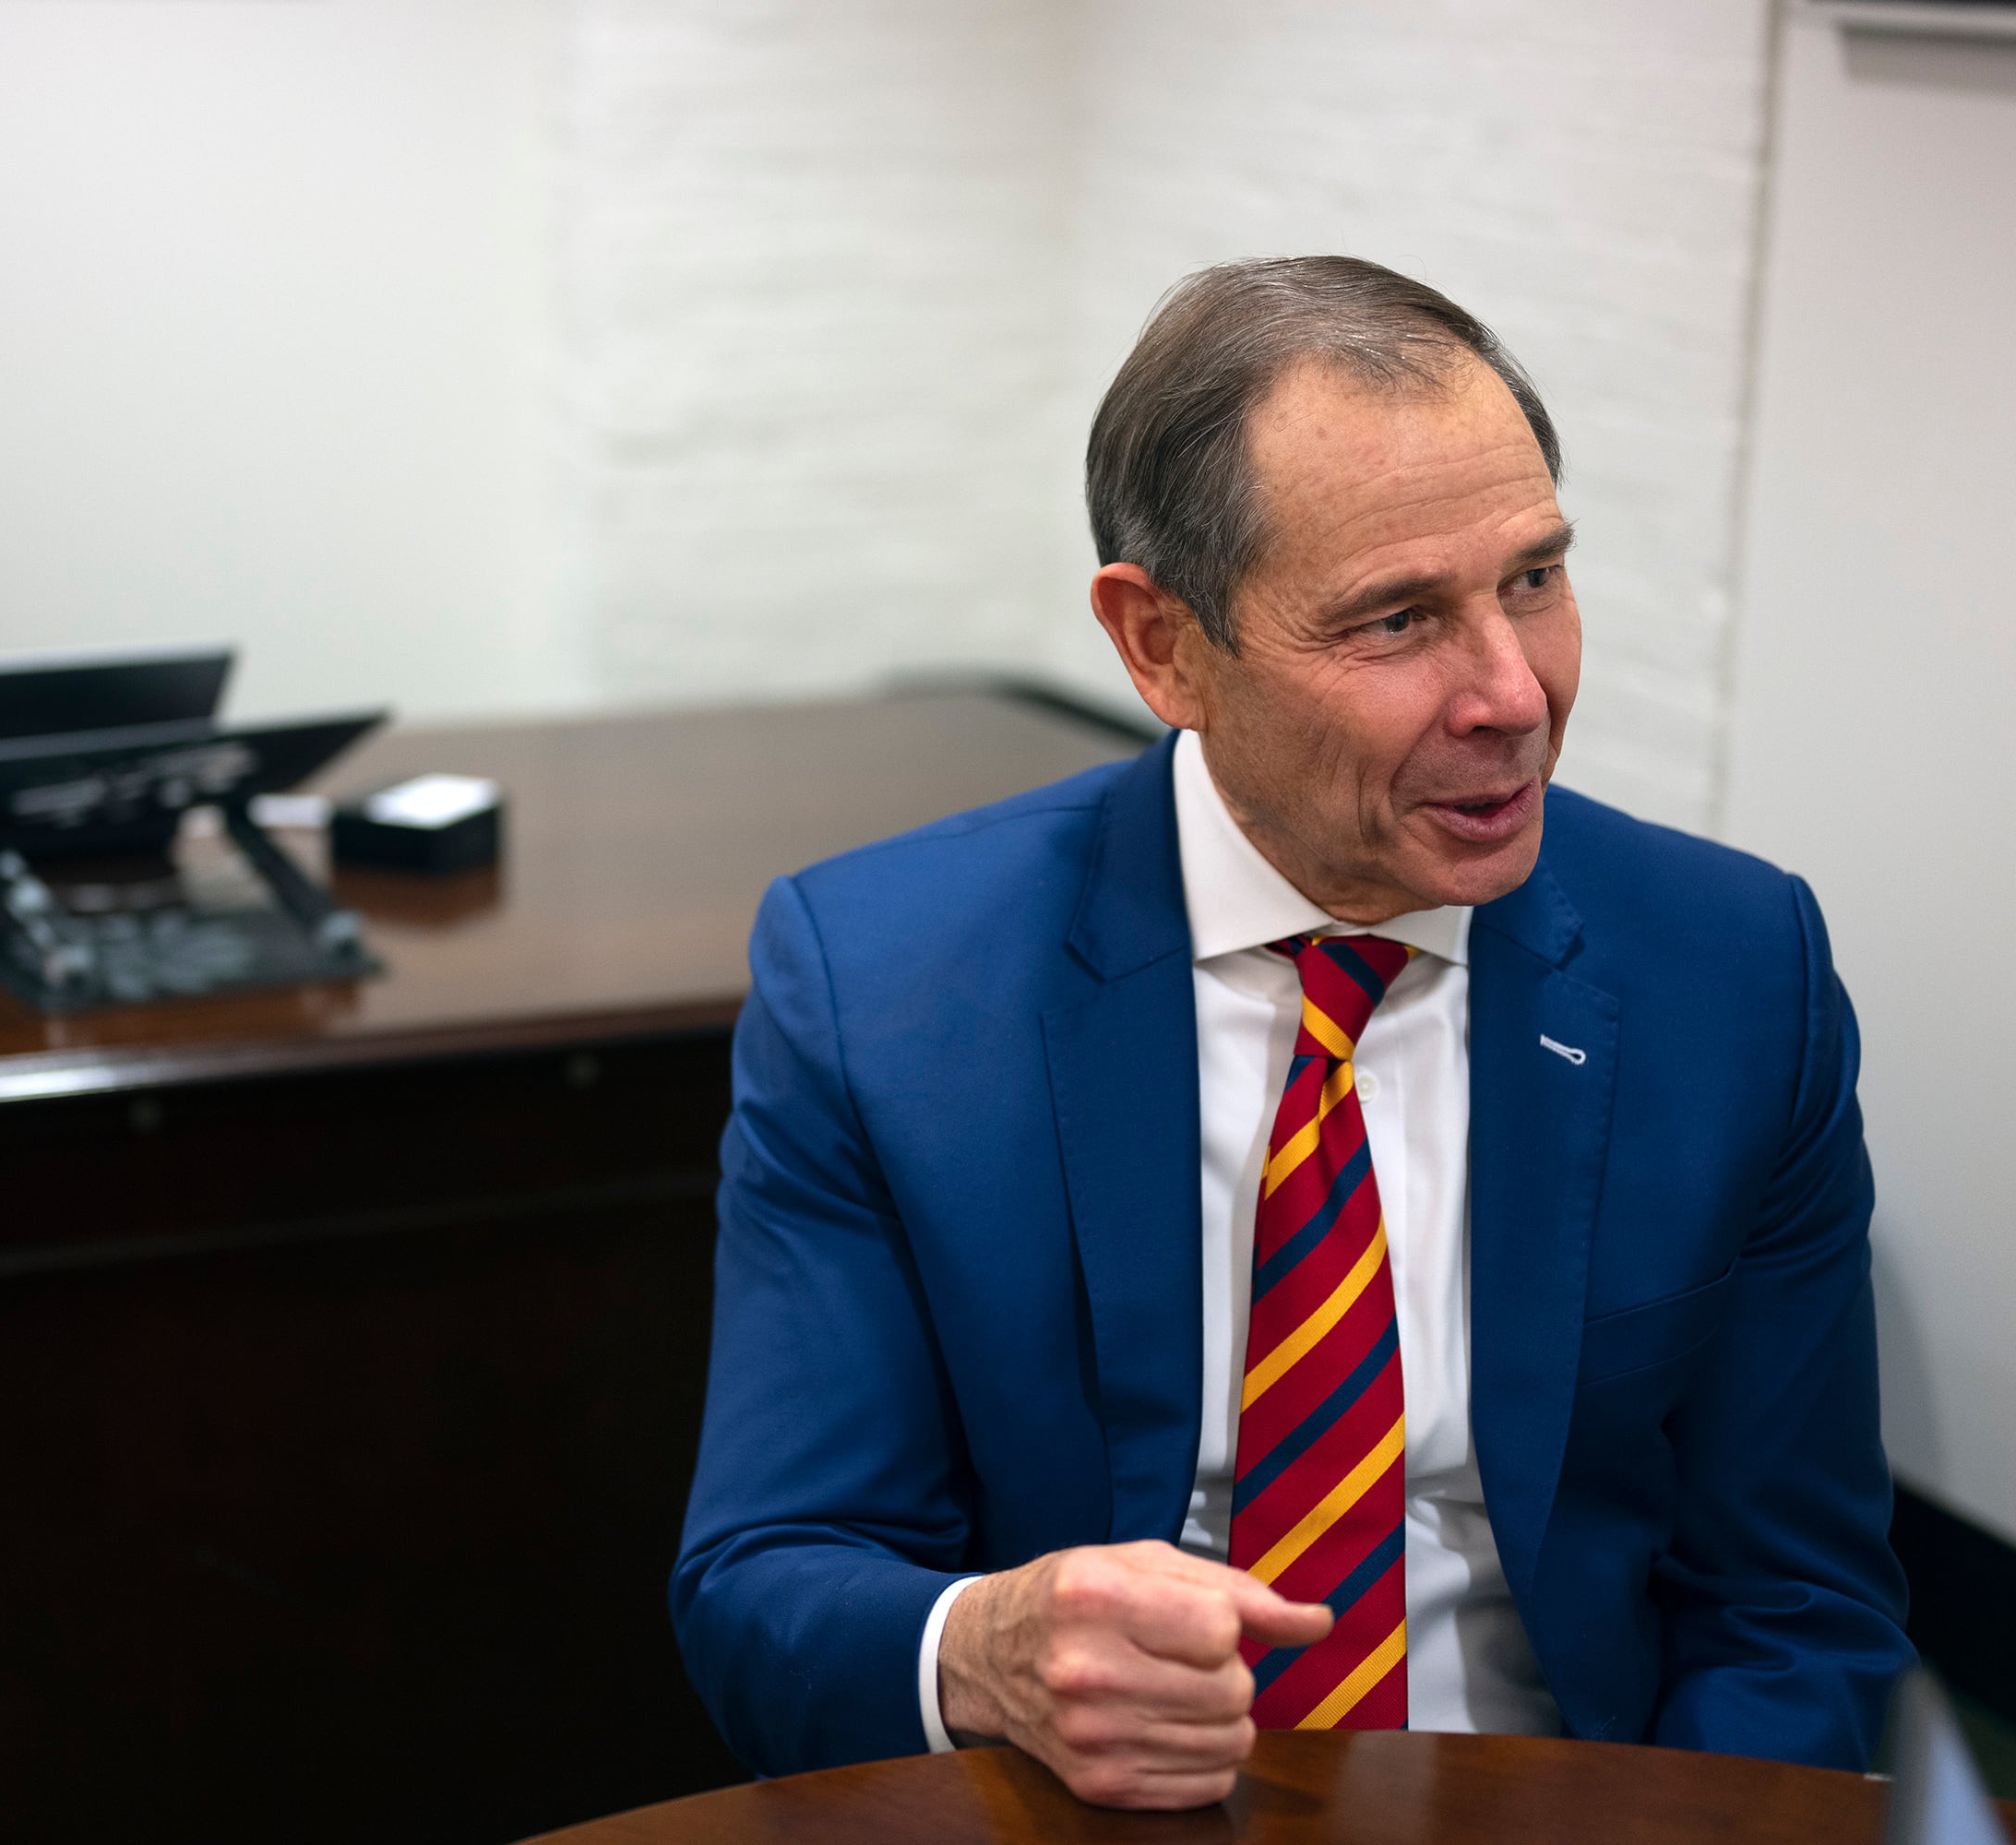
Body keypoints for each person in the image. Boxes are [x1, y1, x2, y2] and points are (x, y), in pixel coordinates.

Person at [669, 256, 1912, 1809]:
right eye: (1398, 621)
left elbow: (1792, 1604)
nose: (1516, 693)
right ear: (1162, 647)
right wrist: (983, 1644)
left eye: (1533, 578)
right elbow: (765, 1581)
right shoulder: (885, 986)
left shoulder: (1734, 972)